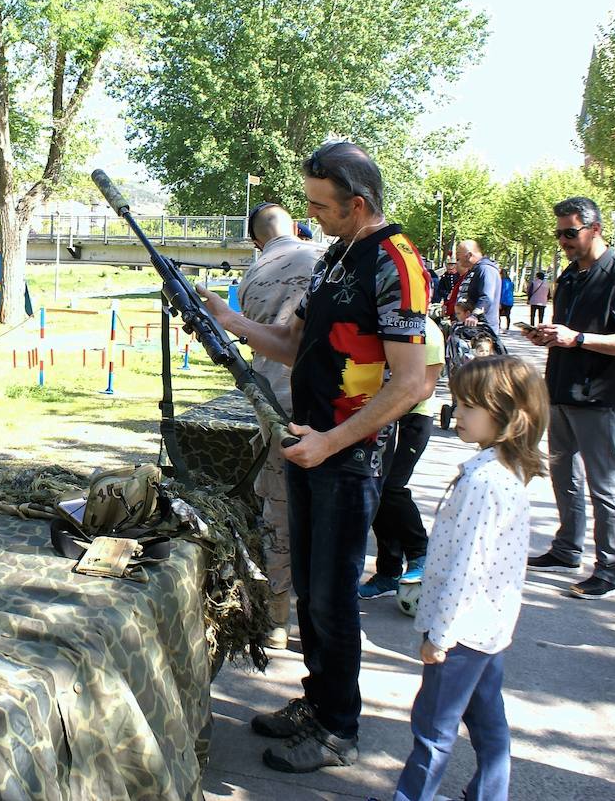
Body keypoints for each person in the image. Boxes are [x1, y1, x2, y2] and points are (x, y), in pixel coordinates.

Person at [197, 140, 431, 774]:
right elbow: (293, 345)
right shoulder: (334, 256)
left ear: (357, 204)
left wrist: (330, 440)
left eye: (321, 205)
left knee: (331, 597)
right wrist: (223, 318)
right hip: (310, 444)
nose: (311, 214)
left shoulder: (395, 261)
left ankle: (339, 729)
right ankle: (318, 701)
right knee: (310, 592)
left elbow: (414, 382)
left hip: (346, 456)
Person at [391, 355, 547, 801]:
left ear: (507, 413)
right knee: (486, 720)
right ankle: (489, 793)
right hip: (488, 629)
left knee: (433, 729)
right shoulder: (500, 470)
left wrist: (439, 636)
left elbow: (466, 567)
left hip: (461, 634)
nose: (454, 414)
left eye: (467, 407)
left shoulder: (485, 482)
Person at [523, 196, 615, 600]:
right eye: (558, 233)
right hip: (561, 389)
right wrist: (548, 335)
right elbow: (569, 332)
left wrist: (579, 339)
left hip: (597, 396)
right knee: (564, 476)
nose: (563, 240)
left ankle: (610, 569)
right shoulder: (571, 275)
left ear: (594, 228)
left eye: (570, 232)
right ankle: (566, 550)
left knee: (603, 485)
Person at [237, 202, 321, 649]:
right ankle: (319, 622)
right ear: (296, 229)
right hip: (327, 405)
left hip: (272, 402)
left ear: (256, 239)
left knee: (277, 510)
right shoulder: (326, 260)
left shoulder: (252, 275)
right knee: (325, 512)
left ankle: (277, 618)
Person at [358, 315, 444, 600]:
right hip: (380, 418)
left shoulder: (427, 331)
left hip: (412, 420)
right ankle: (388, 571)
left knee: (392, 488)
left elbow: (425, 386)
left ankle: (420, 552)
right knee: (377, 492)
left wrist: (386, 406)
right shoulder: (384, 325)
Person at [454, 240, 501, 337]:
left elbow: (486, 297)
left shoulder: (485, 269)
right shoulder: (474, 270)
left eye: (458, 254)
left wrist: (474, 316)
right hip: (472, 327)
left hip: (483, 328)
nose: (457, 258)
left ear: (469, 255)